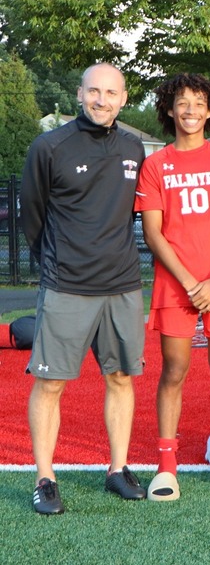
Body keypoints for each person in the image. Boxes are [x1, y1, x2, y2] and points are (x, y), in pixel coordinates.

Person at [21, 63, 147, 514]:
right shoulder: (49, 146)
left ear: (123, 98)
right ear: (79, 94)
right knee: (51, 382)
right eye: (94, 91)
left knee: (120, 377)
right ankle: (45, 478)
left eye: (111, 93)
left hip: (122, 284)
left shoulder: (134, 147)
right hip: (67, 285)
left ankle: (118, 468)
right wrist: (56, 261)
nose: (102, 100)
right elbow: (32, 214)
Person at [136, 73, 210, 501]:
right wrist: (191, 283)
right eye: (182, 103)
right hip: (177, 287)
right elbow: (153, 233)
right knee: (174, 371)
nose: (191, 110)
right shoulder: (156, 165)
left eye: (199, 103)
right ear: (170, 110)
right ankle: (166, 467)